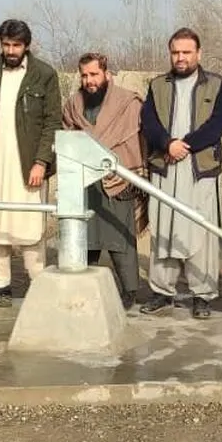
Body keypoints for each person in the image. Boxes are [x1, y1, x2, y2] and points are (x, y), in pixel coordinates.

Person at [0, 19, 63, 308]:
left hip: (28, 165)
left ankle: (39, 285)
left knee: (30, 225)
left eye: (16, 45)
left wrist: (41, 161)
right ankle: (0, 286)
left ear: (26, 46)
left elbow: (52, 122)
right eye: (6, 45)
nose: (10, 51)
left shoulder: (44, 74)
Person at [139, 27, 222, 319]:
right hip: (165, 166)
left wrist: (186, 145)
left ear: (198, 53)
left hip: (199, 168)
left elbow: (219, 123)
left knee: (200, 230)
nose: (180, 58)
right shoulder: (157, 85)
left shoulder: (217, 85)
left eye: (186, 52)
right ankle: (162, 290)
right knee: (163, 229)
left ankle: (202, 294)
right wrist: (167, 143)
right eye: (175, 52)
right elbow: (148, 121)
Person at [61, 52, 147, 310]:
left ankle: (129, 292)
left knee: (120, 239)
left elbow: (140, 140)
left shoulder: (128, 103)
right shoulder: (73, 105)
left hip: (118, 179)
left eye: (94, 74)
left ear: (106, 74)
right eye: (84, 75)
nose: (89, 81)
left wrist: (133, 172)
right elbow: (68, 137)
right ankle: (82, 291)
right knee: (84, 238)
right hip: (84, 180)